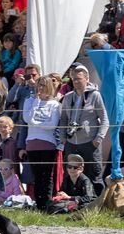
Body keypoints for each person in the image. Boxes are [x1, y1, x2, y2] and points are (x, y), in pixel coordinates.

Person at [57, 65, 108, 193]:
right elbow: (63, 119)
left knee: (94, 175)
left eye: (79, 79)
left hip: (90, 143)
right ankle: (72, 202)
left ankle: (97, 204)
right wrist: (63, 138)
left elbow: (105, 119)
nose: (76, 82)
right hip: (71, 143)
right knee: (71, 174)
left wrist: (98, 138)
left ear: (87, 79)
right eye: (74, 79)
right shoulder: (68, 97)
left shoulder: (95, 95)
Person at [20, 76, 60, 213]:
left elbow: (52, 125)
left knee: (47, 176)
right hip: (32, 143)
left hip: (48, 143)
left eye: (43, 85)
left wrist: (36, 124)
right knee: (36, 176)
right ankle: (39, 203)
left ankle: (47, 204)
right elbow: (27, 119)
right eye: (39, 85)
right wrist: (36, 102)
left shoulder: (55, 104)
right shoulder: (30, 101)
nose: (40, 88)